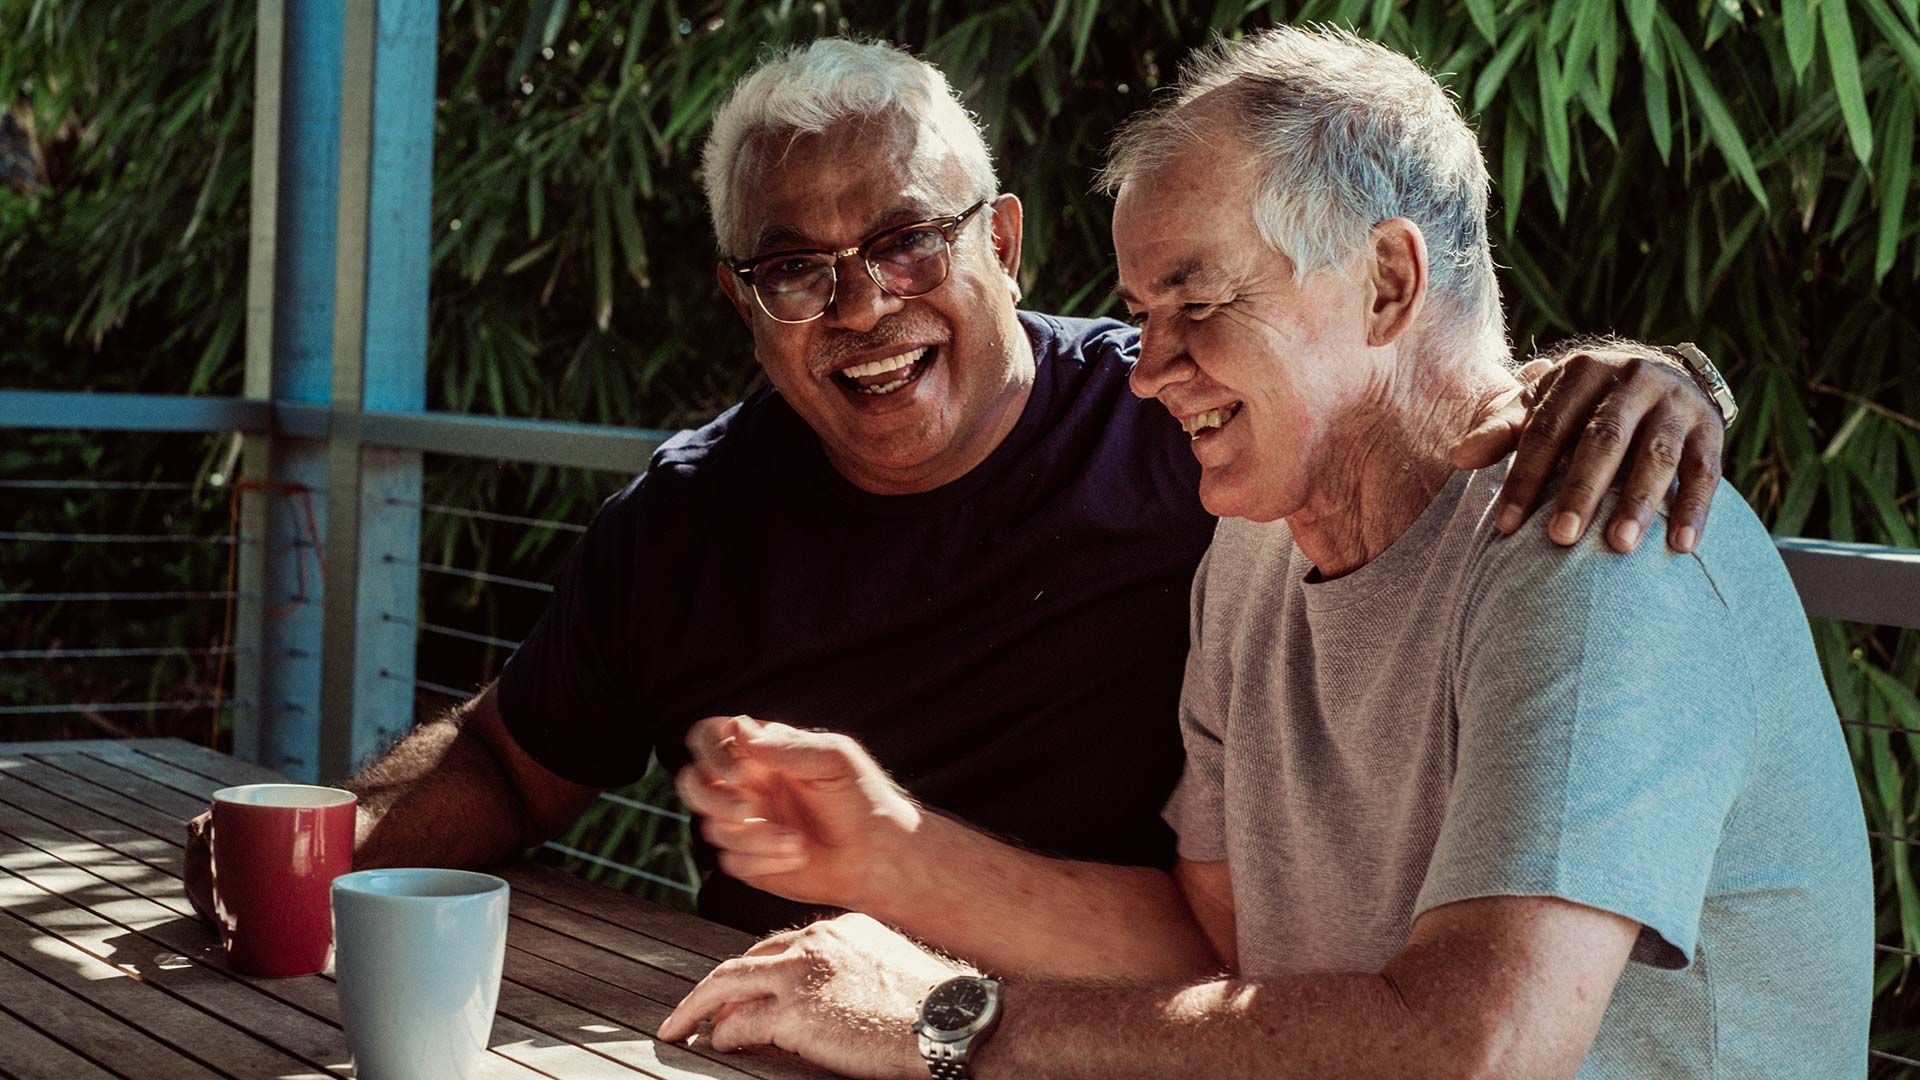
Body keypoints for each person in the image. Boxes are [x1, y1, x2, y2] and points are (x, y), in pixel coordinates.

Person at [184, 38, 1729, 936]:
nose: (863, 305)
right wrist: (318, 846)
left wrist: (1658, 378)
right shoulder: (689, 522)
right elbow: (517, 764)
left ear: (1002, 241)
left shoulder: (1189, 420)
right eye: (798, 269)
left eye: (910, 241)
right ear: (745, 304)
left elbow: (1397, 384)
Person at [659, 28, 1873, 1079]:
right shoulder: (1249, 551)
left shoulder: (1598, 539)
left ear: (1389, 283)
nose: (1146, 367)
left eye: (1196, 301)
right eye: (1141, 314)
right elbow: (1218, 954)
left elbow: (1475, 1052)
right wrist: (888, 855)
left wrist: (944, 1019)